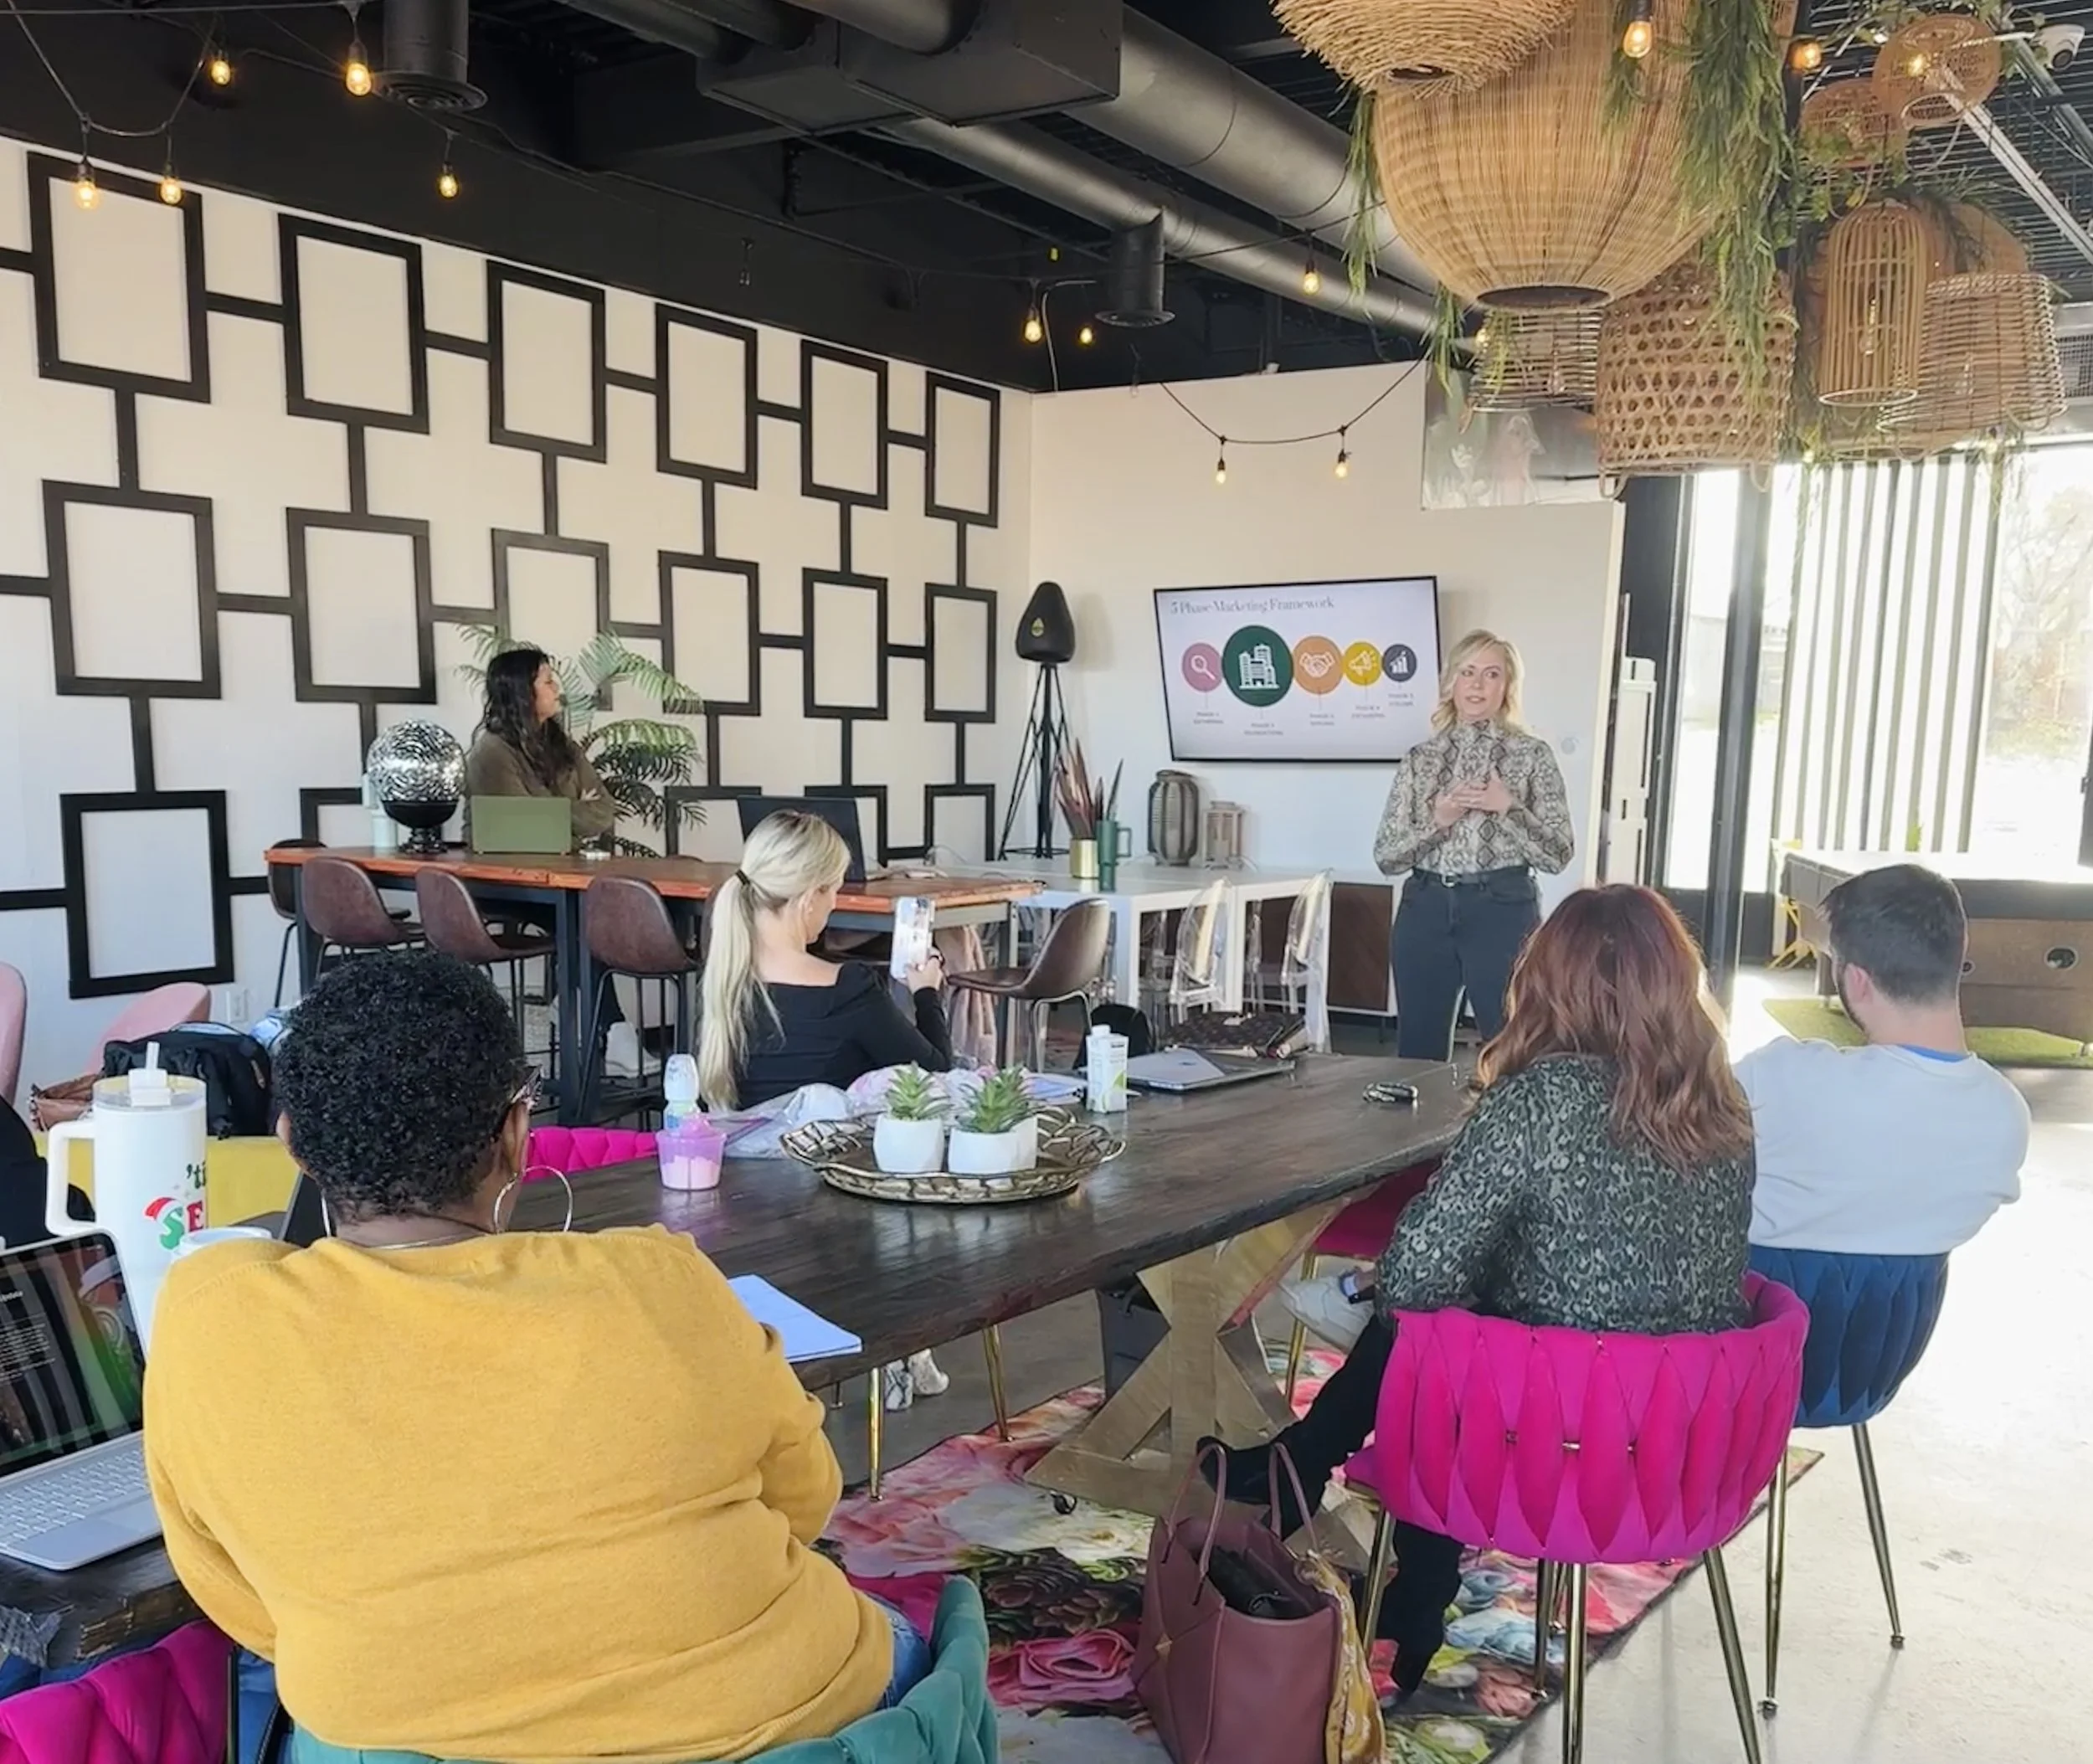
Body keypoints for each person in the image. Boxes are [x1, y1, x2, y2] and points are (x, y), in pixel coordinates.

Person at [143, 952, 929, 1762]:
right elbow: (804, 1499)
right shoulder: (658, 1278)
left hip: (396, 1736)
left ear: (294, 1145)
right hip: (787, 1721)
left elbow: (239, 1596)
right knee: (904, 1634)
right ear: (516, 1135)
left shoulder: (210, 1311)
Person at [1202, 886, 1755, 1700]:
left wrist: (1426, 1276)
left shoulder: (1541, 1098)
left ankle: (1349, 1520)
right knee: (1458, 1320)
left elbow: (1420, 1274)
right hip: (1676, 1440)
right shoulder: (1725, 1100)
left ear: (1548, 979)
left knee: (1431, 1324)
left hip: (1548, 1437)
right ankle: (1313, 1482)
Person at [1741, 861, 2027, 1255]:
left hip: (1761, 1306)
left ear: (1857, 981)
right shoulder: (2006, 1115)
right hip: (1907, 1315)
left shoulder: (1780, 1078)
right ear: (1961, 947)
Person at [1372, 630, 1574, 1062]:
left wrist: (1508, 808)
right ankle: (1420, 1130)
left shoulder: (1532, 756)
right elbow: (1386, 856)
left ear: (1507, 687)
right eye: (1468, 673)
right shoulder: (1419, 758)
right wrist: (1438, 822)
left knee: (1511, 1045)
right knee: (1417, 1051)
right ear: (1452, 682)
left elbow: (1558, 853)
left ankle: (1510, 1128)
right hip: (1424, 908)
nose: (1478, 685)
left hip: (1501, 908)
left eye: (1492, 674)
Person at [697, 810, 952, 1113]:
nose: (834, 902)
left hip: (738, 1156)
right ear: (809, 899)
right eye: (834, 890)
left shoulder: (724, 979)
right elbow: (934, 1075)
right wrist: (926, 993)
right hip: (829, 1157)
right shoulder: (848, 988)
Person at [463, 645, 616, 845]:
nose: (556, 689)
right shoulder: (492, 752)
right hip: (508, 869)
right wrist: (576, 807)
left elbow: (604, 810)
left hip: (564, 863)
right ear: (523, 692)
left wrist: (545, 811)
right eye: (548, 682)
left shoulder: (563, 744)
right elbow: (522, 827)